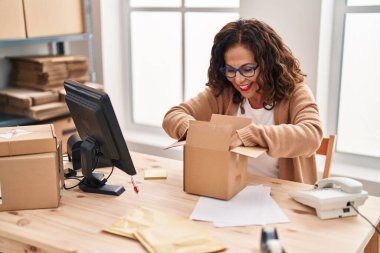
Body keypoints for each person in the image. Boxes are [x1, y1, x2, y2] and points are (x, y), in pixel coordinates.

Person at [162, 18, 323, 184]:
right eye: (230, 70)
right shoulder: (224, 92)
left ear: (268, 64)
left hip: (281, 195)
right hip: (231, 191)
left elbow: (312, 135)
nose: (238, 80)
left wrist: (250, 134)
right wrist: (194, 130)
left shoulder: (296, 92)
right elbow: (173, 115)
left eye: (247, 69)